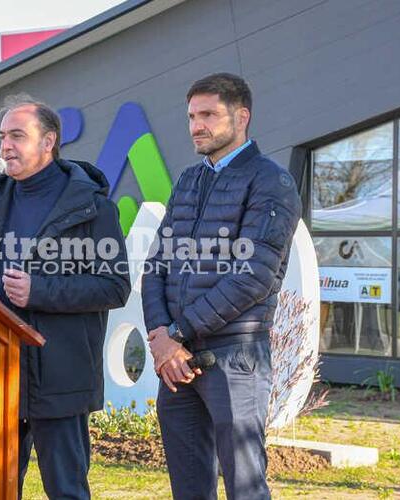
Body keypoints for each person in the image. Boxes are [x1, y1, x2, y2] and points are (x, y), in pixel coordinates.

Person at [0, 94, 130, 499]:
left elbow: (114, 285)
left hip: (61, 374)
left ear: (49, 141)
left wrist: (39, 291)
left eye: (17, 135)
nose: (6, 146)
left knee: (66, 490)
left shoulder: (93, 207)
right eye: (3, 136)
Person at [142, 73, 301, 499]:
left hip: (235, 360)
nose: (197, 125)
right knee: (189, 488)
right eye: (192, 116)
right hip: (177, 363)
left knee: (245, 487)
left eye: (209, 114)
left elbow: (253, 276)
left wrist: (176, 334)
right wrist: (161, 338)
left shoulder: (271, 182)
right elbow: (155, 266)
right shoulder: (188, 181)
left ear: (242, 116)